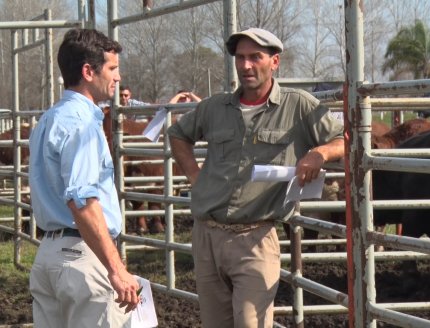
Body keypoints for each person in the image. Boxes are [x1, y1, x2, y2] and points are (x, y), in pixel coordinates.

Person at [167, 27, 345, 328]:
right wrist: (195, 177)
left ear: (274, 62)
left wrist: (320, 153)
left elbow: (346, 138)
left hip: (255, 236)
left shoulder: (297, 105)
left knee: (252, 323)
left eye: (255, 57)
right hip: (207, 234)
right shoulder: (215, 107)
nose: (246, 66)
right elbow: (178, 134)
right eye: (240, 58)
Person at [28, 28, 140, 327]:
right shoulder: (83, 126)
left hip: (49, 253)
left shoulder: (49, 119)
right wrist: (115, 267)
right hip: (83, 258)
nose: (117, 77)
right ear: (89, 71)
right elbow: (82, 200)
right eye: (112, 68)